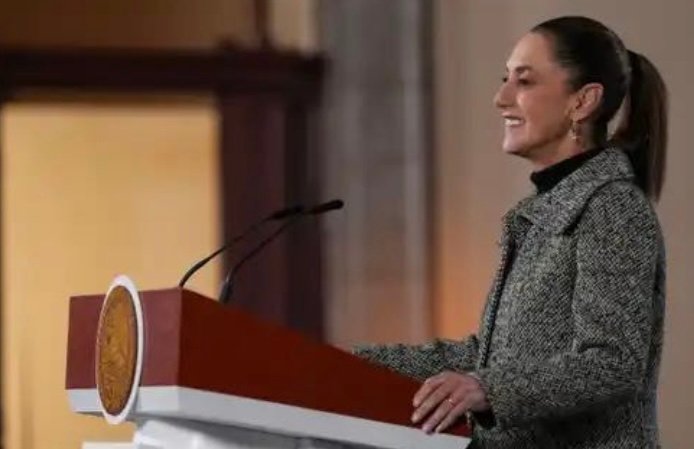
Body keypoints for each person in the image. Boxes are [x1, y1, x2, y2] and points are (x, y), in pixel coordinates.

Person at [354, 16, 667, 448]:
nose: (501, 98)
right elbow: (488, 357)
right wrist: (347, 363)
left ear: (583, 101)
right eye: (506, 79)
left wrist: (487, 389)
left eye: (524, 81)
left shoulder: (612, 208)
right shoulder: (542, 212)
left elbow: (611, 364)